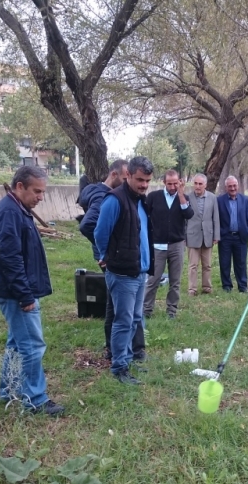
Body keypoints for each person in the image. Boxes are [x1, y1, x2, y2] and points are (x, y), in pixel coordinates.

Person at [0, 166, 64, 416]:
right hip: (14, 292)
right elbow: (11, 258)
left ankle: (8, 390)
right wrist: (25, 295)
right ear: (19, 187)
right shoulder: (9, 213)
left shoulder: (18, 209)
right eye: (36, 191)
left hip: (13, 289)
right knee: (32, 345)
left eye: (43, 192)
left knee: (17, 343)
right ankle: (35, 400)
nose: (41, 197)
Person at [94, 157, 155, 385]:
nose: (144, 185)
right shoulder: (114, 200)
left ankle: (127, 359)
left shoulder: (141, 200)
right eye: (140, 179)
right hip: (122, 273)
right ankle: (119, 367)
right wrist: (106, 256)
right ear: (127, 174)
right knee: (123, 320)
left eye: (147, 181)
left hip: (140, 272)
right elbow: (100, 232)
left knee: (135, 319)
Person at [78, 160, 146, 361]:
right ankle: (117, 354)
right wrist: (106, 253)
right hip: (115, 262)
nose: (128, 183)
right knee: (118, 312)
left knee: (118, 309)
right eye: (126, 178)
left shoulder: (122, 196)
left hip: (121, 261)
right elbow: (88, 226)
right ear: (115, 175)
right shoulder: (105, 197)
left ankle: (123, 351)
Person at [143, 169, 194, 318]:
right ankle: (146, 310)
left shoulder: (184, 197)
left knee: (175, 281)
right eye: (169, 183)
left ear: (179, 182)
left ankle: (171, 311)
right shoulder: (153, 197)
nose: (172, 187)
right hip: (157, 246)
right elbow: (145, 217)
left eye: (175, 183)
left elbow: (189, 214)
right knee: (153, 280)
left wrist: (180, 195)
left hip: (177, 245)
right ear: (164, 182)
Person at [185, 173, 220, 295]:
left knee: (207, 265)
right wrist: (184, 236)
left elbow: (216, 217)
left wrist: (216, 235)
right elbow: (184, 219)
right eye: (195, 183)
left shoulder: (212, 198)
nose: (198, 186)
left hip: (208, 236)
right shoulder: (187, 197)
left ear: (205, 185)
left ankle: (207, 287)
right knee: (192, 265)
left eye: (200, 184)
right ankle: (192, 289)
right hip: (192, 236)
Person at [216, 176, 248, 292]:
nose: (232, 188)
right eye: (230, 186)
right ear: (226, 187)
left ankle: (242, 286)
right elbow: (217, 219)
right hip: (225, 237)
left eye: (234, 185)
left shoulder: (245, 200)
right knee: (225, 262)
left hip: (240, 236)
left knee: (241, 262)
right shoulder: (219, 200)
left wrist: (247, 232)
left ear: (238, 186)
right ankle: (227, 286)